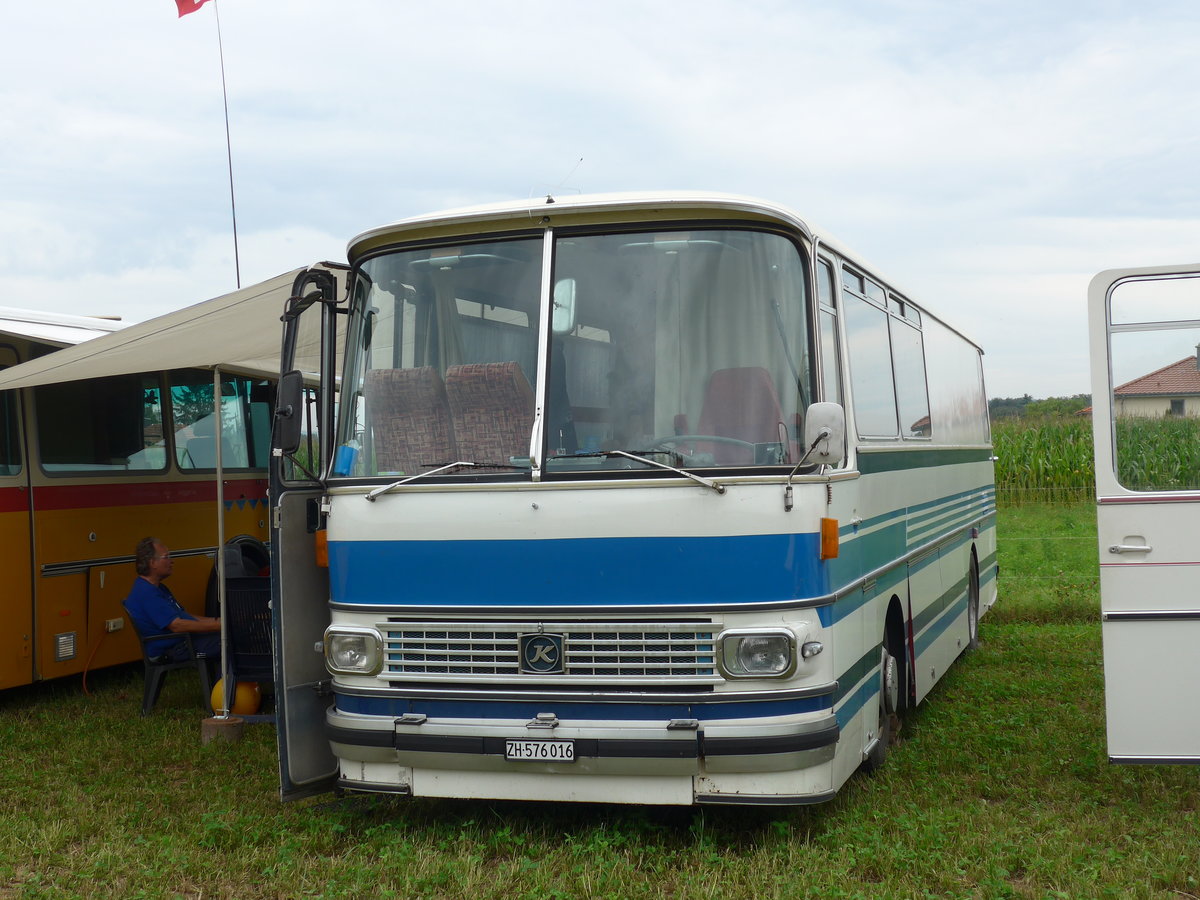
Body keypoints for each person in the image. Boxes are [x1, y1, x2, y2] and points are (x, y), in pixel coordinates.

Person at [125, 536, 221, 662]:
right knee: (230, 642)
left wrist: (218, 621)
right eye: (166, 557)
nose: (172, 561)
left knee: (228, 636)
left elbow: (183, 616)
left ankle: (224, 680)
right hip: (172, 648)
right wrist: (219, 625)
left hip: (182, 642)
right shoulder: (146, 593)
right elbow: (177, 625)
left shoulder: (158, 588)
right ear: (152, 563)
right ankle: (228, 681)